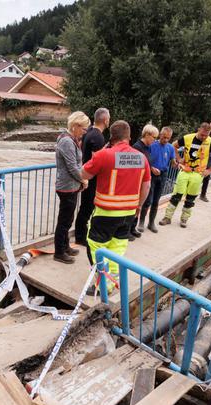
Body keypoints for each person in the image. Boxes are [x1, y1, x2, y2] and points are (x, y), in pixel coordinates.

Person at [81, 120, 151, 287]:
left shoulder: (104, 155)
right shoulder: (141, 157)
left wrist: (99, 154)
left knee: (96, 248)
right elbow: (146, 185)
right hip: (129, 214)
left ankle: (102, 285)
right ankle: (112, 283)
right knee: (117, 249)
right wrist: (138, 206)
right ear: (129, 137)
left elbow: (84, 173)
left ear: (111, 137)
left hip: (106, 213)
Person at [159, 122, 211, 228]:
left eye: (206, 135)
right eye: (202, 135)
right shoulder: (188, 138)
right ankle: (167, 217)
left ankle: (184, 219)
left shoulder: (210, 142)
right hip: (185, 170)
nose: (203, 137)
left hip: (198, 173)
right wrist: (178, 159)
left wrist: (210, 170)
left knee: (191, 197)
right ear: (198, 130)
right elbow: (174, 145)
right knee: (176, 195)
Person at [52, 111, 90, 264]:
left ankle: (65, 246)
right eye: (84, 128)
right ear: (75, 126)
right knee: (65, 220)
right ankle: (59, 252)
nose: (85, 132)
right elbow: (72, 167)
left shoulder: (69, 139)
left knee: (68, 219)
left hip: (71, 186)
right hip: (67, 187)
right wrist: (84, 179)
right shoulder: (67, 141)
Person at [74, 108, 110, 247]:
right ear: (105, 120)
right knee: (87, 208)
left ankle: (80, 233)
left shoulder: (89, 132)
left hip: (86, 174)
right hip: (92, 177)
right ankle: (80, 236)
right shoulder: (98, 136)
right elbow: (98, 160)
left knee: (85, 207)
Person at [138, 126, 176, 233]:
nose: (165, 140)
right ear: (160, 135)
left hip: (163, 175)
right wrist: (150, 168)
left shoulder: (170, 147)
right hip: (151, 174)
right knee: (147, 199)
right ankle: (141, 222)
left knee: (156, 200)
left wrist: (175, 163)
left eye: (168, 138)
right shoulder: (152, 145)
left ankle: (151, 223)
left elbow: (172, 160)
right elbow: (145, 160)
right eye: (164, 137)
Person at [127, 124, 157, 239]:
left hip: (143, 180)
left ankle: (133, 227)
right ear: (147, 135)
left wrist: (151, 168)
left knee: (140, 205)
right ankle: (127, 230)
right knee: (134, 206)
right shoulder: (137, 147)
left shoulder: (147, 147)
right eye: (154, 137)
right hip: (136, 182)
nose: (154, 140)